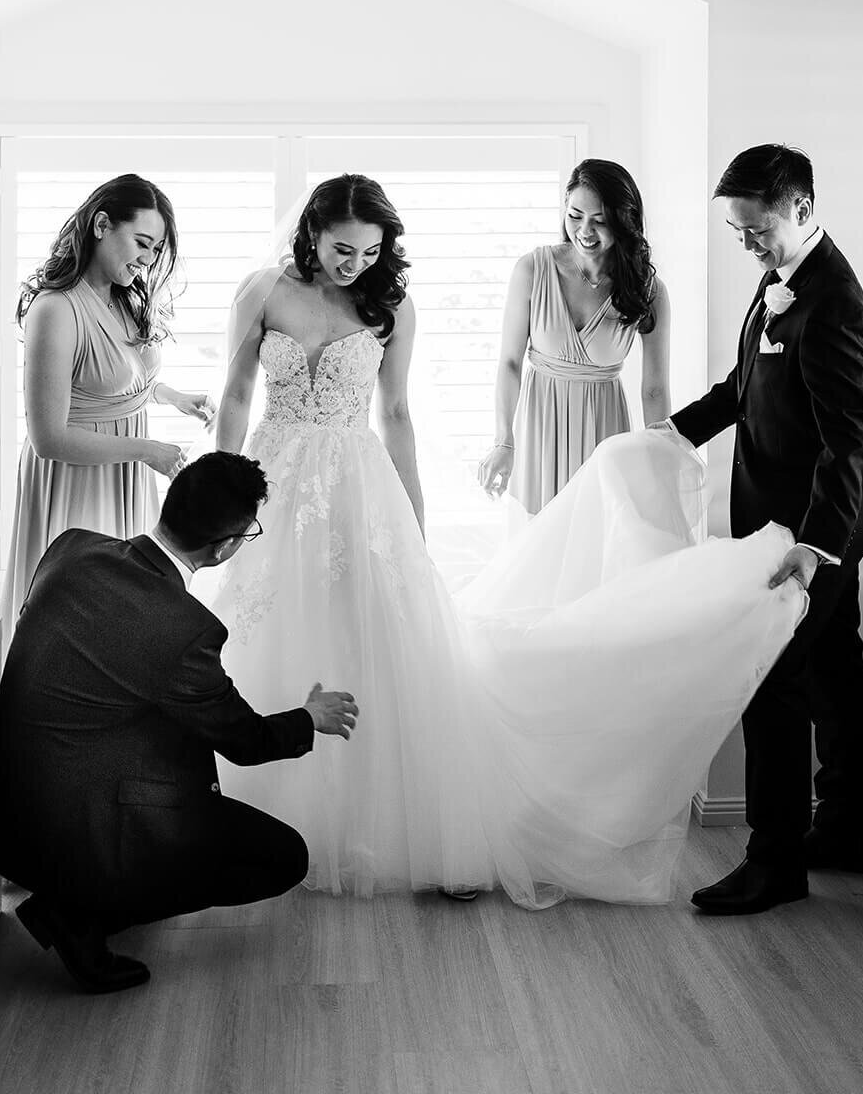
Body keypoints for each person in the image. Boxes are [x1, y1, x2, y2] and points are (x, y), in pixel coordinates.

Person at [210, 173, 806, 907]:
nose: (354, 264)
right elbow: (236, 394)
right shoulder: (261, 291)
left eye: (368, 252)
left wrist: (412, 519)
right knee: (267, 627)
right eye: (341, 249)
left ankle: (378, 817)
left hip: (354, 478)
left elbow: (395, 413)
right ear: (310, 232)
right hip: (269, 469)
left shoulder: (390, 304)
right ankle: (264, 806)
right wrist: (225, 490)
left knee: (367, 632)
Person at [0, 452, 358, 994]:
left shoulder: (71, 547)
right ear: (225, 547)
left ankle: (81, 897)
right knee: (285, 858)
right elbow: (246, 740)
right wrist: (311, 718)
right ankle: (80, 914)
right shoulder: (186, 630)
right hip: (63, 833)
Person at [661, 145, 863, 915]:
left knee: (769, 676)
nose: (747, 246)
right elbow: (743, 386)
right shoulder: (781, 278)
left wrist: (812, 546)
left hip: (820, 521)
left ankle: (774, 862)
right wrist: (673, 434)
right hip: (801, 515)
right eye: (737, 233)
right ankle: (845, 829)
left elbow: (846, 441)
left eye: (754, 230)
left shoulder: (831, 300)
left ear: (797, 207)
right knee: (832, 660)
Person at [0, 173, 215, 650]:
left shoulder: (121, 303)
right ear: (101, 225)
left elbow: (116, 382)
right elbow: (49, 437)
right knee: (79, 623)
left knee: (122, 624)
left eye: (156, 250)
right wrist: (148, 450)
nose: (147, 258)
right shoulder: (56, 309)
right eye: (142, 242)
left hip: (123, 477)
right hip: (78, 481)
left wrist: (171, 396)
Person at [478, 159, 670, 514]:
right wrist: (504, 442)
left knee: (599, 541)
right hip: (540, 428)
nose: (585, 231)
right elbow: (508, 362)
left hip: (605, 430)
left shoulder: (648, 289)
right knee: (541, 544)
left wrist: (661, 459)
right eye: (575, 216)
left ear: (625, 221)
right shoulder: (533, 269)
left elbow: (654, 387)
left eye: (600, 221)